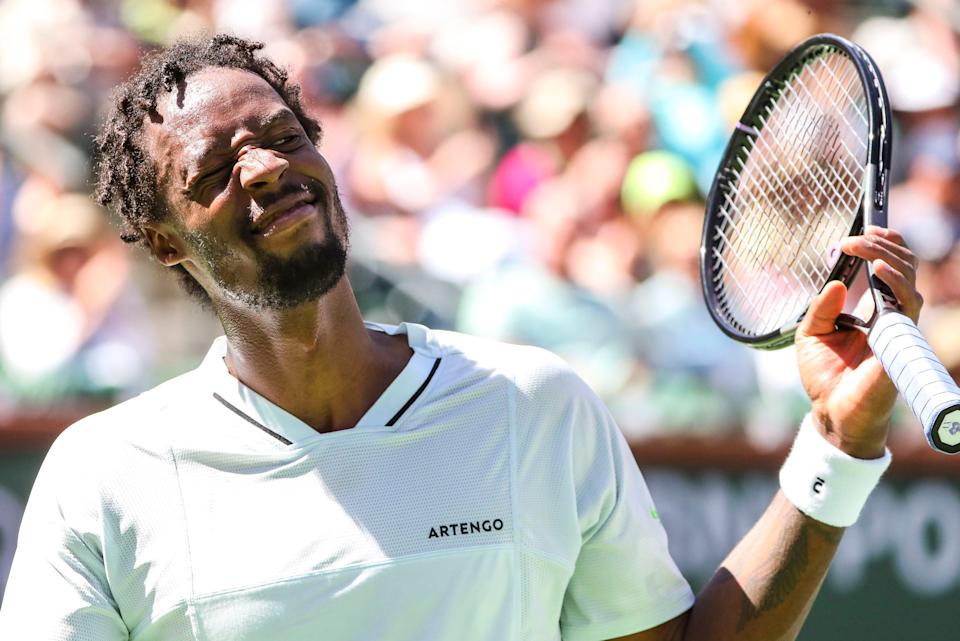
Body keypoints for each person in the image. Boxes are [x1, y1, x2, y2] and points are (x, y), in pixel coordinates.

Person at [0, 35, 923, 641]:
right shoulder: (100, 474)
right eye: (216, 165)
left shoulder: (536, 403)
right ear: (165, 242)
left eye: (283, 133)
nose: (269, 165)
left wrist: (838, 442)